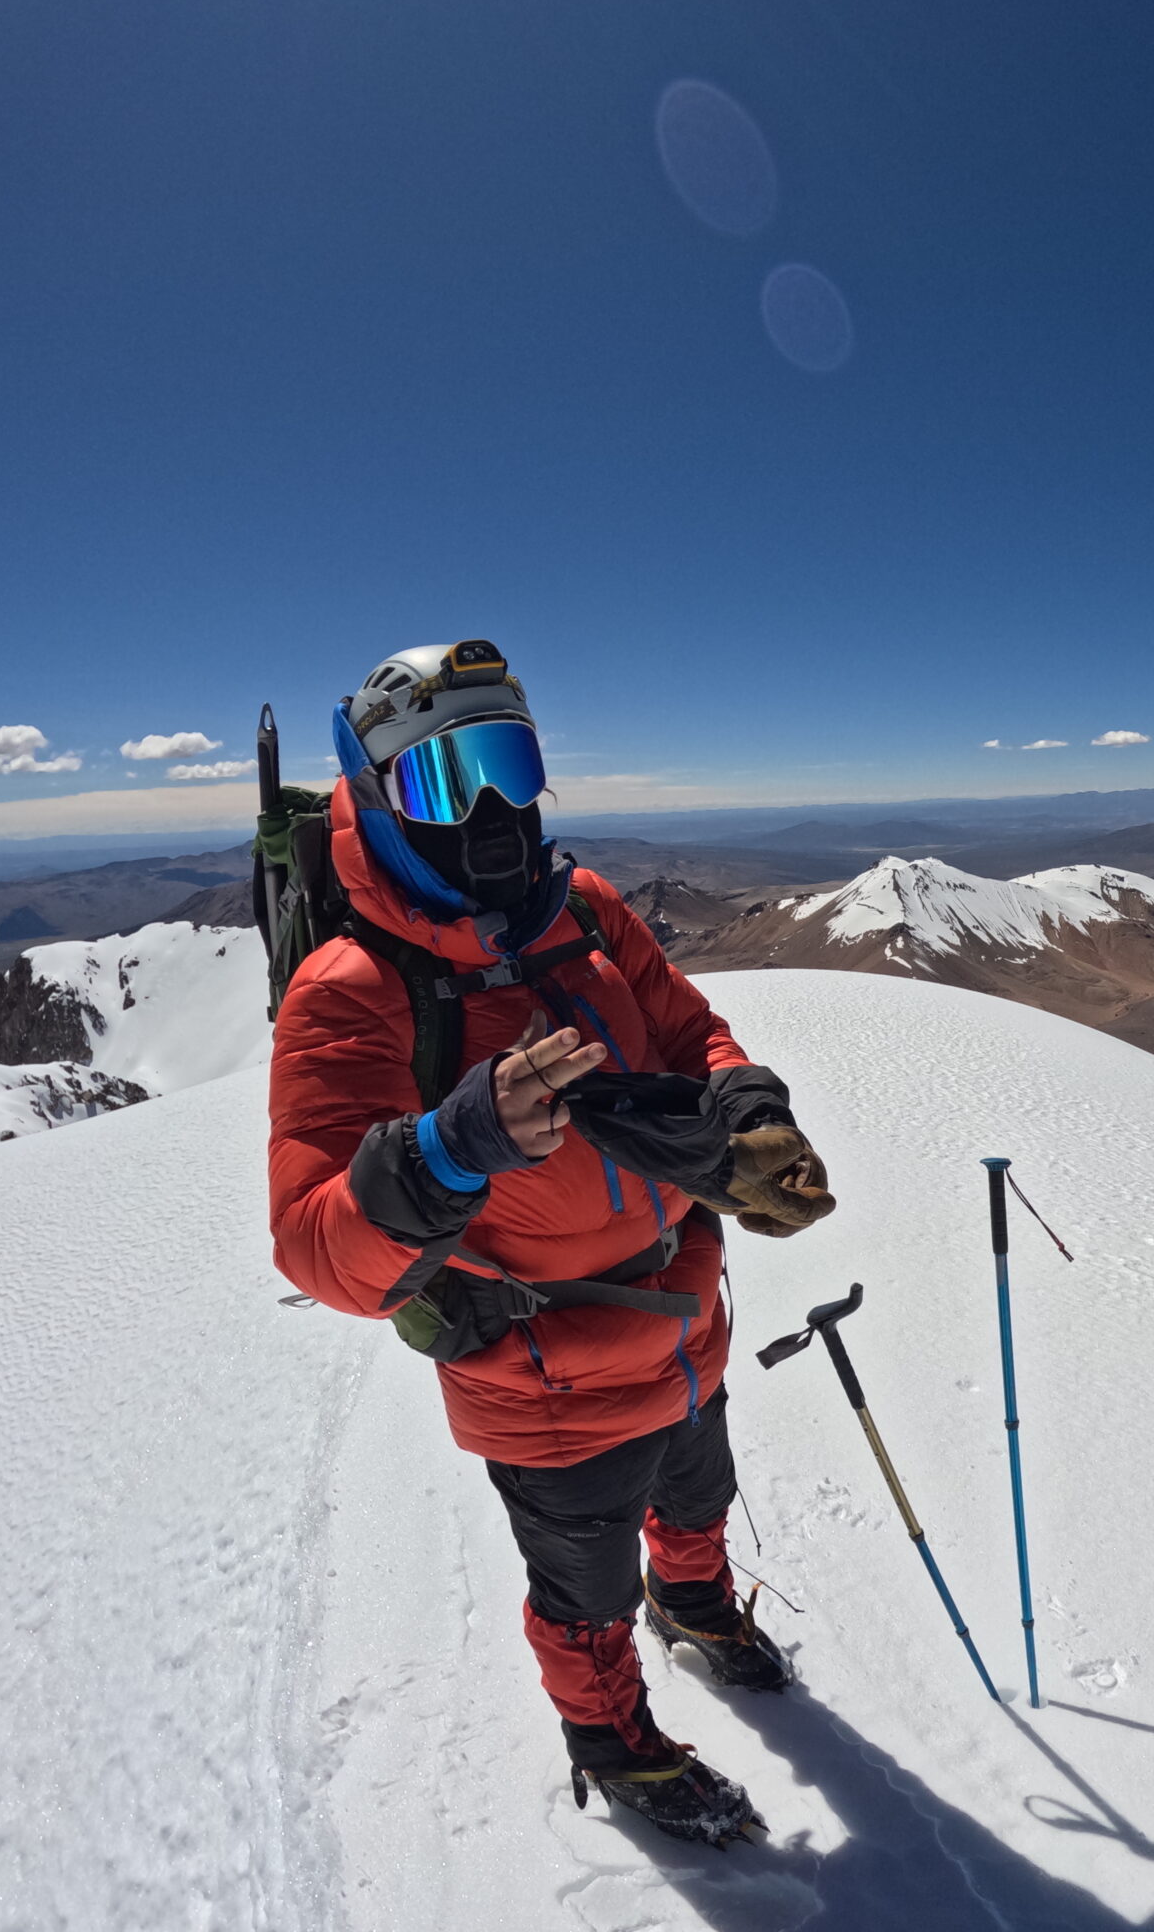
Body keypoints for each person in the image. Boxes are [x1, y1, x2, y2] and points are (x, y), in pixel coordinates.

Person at [266, 640, 834, 1845]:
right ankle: (614, 1744)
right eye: (438, 779)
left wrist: (750, 1115)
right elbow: (315, 1248)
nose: (484, 809)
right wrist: (447, 1148)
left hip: (682, 1314)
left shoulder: (582, 912)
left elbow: (692, 1033)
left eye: (505, 760)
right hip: (543, 1371)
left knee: (699, 1488)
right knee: (579, 1591)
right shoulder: (350, 988)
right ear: (370, 797)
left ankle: (693, 1602)